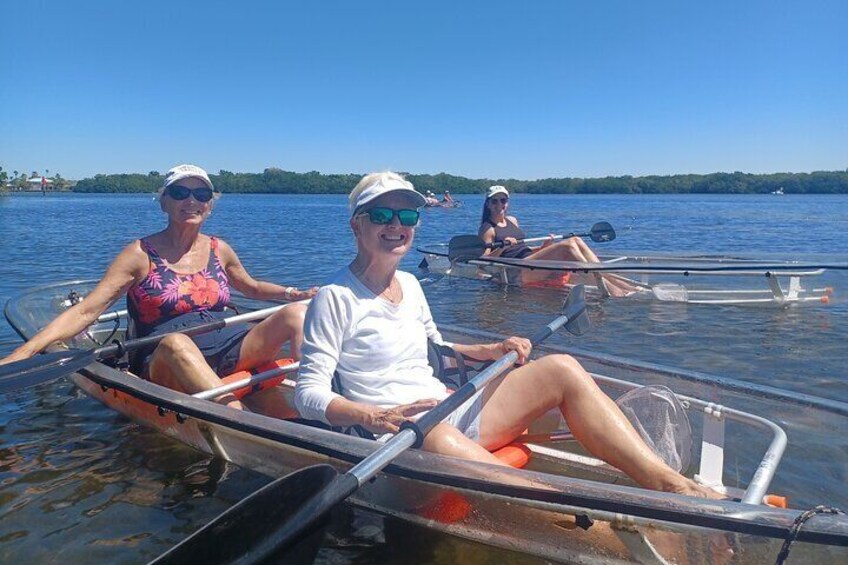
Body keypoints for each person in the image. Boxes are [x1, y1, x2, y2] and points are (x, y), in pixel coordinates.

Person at [294, 171, 718, 499]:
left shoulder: (413, 285)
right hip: (398, 434)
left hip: (447, 410)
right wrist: (373, 416)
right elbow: (308, 394)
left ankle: (667, 484)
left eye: (406, 216)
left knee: (562, 369)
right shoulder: (335, 296)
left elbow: (436, 350)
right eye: (382, 215)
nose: (396, 225)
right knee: (433, 430)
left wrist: (492, 348)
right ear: (357, 226)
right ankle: (572, 512)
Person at [0, 164, 316, 418]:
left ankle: (312, 399)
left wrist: (294, 294)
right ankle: (240, 420)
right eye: (180, 192)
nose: (191, 201)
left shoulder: (220, 249)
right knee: (178, 344)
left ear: (210, 205)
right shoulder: (140, 254)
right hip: (163, 357)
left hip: (223, 345)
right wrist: (21, 354)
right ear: (163, 201)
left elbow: (252, 287)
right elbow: (87, 310)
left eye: (201, 193)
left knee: (296, 316)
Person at [478, 185, 635, 296]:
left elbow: (522, 250)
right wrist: (502, 248)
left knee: (575, 239)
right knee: (567, 246)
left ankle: (622, 284)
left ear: (508, 202)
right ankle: (609, 286)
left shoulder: (513, 220)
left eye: (503, 200)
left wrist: (543, 247)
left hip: (528, 261)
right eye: (495, 201)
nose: (500, 205)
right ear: (488, 204)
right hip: (515, 272)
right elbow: (483, 262)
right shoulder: (487, 228)